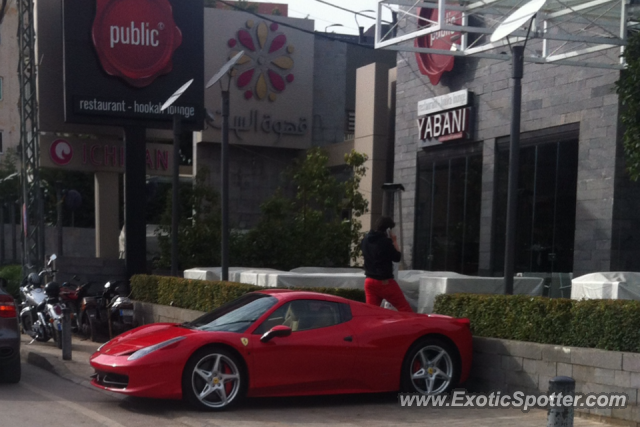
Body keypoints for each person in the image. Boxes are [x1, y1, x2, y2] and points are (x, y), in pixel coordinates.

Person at [361, 216, 412, 312]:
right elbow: (397, 257)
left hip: (369, 281)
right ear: (388, 229)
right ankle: (412, 327)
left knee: (371, 313)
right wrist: (394, 241)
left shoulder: (365, 240)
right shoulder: (385, 242)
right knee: (405, 309)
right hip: (384, 282)